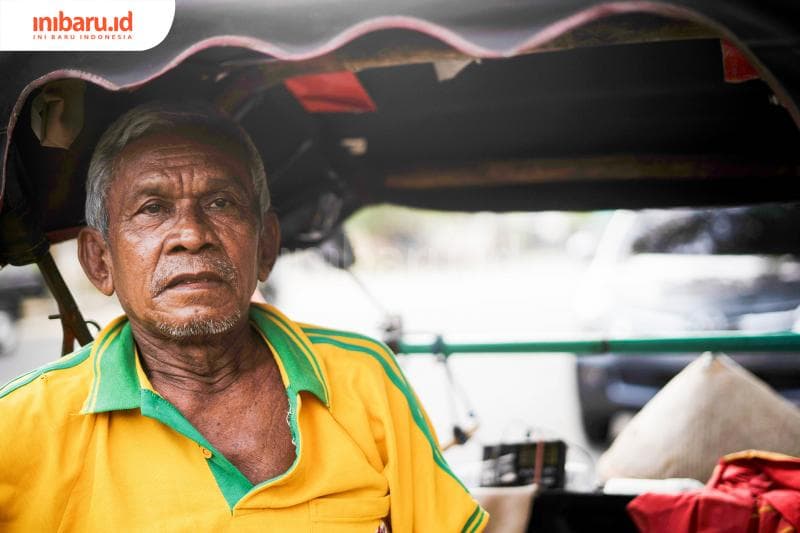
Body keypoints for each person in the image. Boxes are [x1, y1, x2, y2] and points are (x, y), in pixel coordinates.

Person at [0, 102, 488, 532]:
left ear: (266, 246)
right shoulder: (20, 426)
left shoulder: (363, 377)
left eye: (220, 202)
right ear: (100, 261)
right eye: (153, 208)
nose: (191, 234)